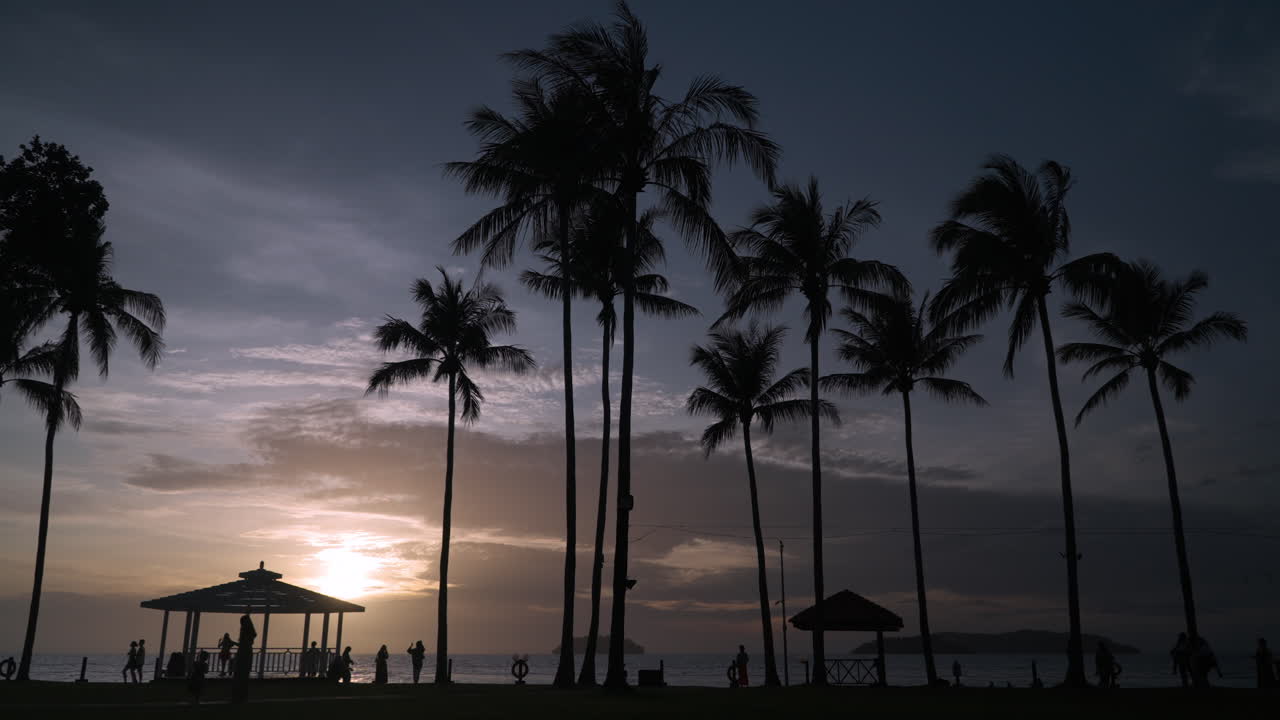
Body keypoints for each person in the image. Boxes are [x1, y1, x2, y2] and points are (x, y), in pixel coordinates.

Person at [231, 614, 257, 705]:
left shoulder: (245, 632)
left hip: (244, 654)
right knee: (243, 676)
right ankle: (241, 696)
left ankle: (240, 696)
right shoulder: (249, 633)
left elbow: (243, 645)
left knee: (240, 675)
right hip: (245, 654)